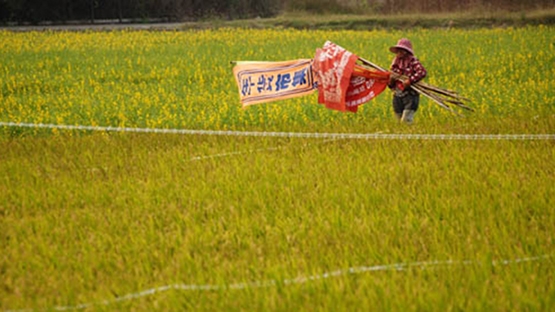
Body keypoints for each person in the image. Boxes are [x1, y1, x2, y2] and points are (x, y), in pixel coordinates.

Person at [388, 38, 427, 124]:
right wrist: (391, 80)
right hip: (397, 94)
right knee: (398, 120)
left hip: (410, 95)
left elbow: (422, 72)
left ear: (407, 51)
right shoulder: (395, 62)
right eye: (398, 50)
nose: (399, 52)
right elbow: (391, 80)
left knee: (406, 120)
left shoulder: (413, 61)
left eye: (402, 50)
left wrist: (410, 80)